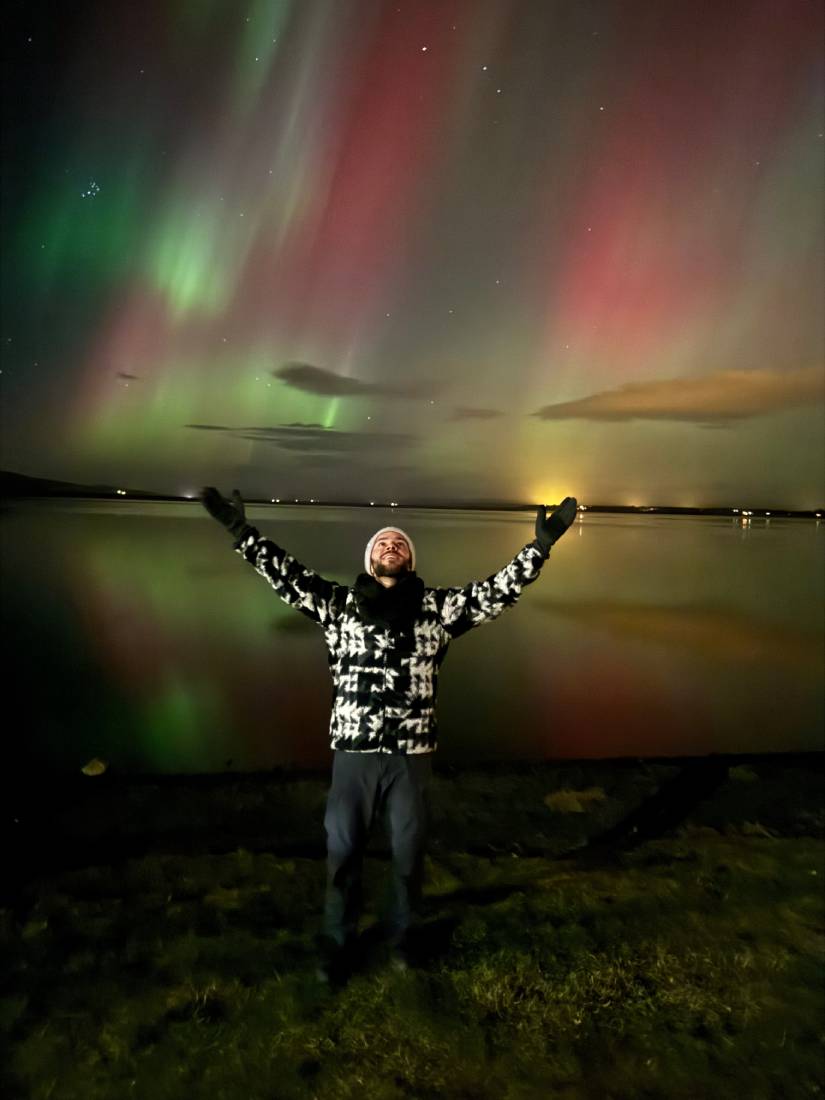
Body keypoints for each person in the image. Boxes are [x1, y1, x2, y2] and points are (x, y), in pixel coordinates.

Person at [200, 487, 577, 981]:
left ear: (411, 561)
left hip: (410, 756)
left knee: (407, 853)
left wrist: (540, 548)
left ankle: (403, 940)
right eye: (383, 542)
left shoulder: (436, 612)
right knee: (343, 853)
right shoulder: (339, 605)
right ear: (370, 558)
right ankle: (338, 944)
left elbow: (497, 592)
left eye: (400, 542)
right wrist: (240, 532)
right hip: (353, 753)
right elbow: (286, 577)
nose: (392, 545)